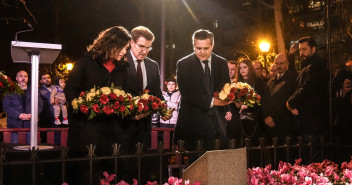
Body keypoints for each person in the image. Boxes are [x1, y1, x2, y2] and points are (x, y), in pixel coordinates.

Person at [64, 26, 131, 185]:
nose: (124, 52)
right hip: (86, 132)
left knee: (109, 175)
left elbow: (125, 94)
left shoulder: (122, 68)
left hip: (112, 133)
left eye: (126, 48)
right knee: (87, 175)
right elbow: (70, 91)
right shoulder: (85, 63)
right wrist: (84, 108)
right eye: (123, 47)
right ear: (111, 43)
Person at [174, 29, 231, 155]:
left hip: (217, 124)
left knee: (218, 165)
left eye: (206, 48)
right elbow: (187, 93)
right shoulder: (183, 64)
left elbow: (227, 87)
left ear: (212, 45)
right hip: (193, 125)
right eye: (198, 48)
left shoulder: (221, 63)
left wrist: (231, 102)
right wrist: (212, 101)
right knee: (195, 167)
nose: (202, 52)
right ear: (193, 45)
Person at [286, 36, 329, 163]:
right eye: (300, 50)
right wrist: (290, 55)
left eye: (304, 49)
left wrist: (290, 102)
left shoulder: (316, 66)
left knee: (313, 161)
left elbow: (306, 89)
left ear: (313, 49)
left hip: (313, 123)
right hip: (307, 123)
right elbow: (295, 80)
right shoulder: (308, 65)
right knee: (307, 159)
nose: (301, 53)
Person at [262, 53, 298, 143]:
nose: (278, 66)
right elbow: (264, 100)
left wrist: (273, 118)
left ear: (287, 63)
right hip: (269, 125)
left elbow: (286, 101)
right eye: (276, 63)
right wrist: (266, 116)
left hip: (284, 124)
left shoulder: (292, 79)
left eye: (281, 63)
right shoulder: (271, 81)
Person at [3, 70, 43, 143]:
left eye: (25, 76)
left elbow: (39, 105)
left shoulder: (33, 90)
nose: (23, 78)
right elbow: (6, 106)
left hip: (30, 126)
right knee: (15, 150)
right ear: (16, 78)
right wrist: (19, 115)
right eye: (21, 76)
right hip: (14, 126)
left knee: (31, 150)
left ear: (28, 78)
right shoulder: (10, 90)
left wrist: (32, 115)